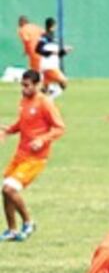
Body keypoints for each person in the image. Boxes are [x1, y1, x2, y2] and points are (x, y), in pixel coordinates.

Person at [1, 69, 65, 242]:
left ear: (38, 85)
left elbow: (59, 128)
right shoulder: (23, 101)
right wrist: (9, 130)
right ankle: (12, 230)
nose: (24, 89)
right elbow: (23, 123)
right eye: (22, 85)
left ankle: (28, 222)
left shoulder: (45, 103)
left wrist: (42, 140)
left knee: (10, 189)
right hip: (20, 154)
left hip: (35, 158)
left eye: (27, 86)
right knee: (5, 191)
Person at [36, 17, 72, 100]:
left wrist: (65, 51)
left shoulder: (54, 38)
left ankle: (37, 101)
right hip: (49, 66)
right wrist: (51, 53)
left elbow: (57, 54)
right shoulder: (45, 36)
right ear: (53, 26)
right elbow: (38, 49)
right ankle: (48, 101)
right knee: (64, 83)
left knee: (44, 89)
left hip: (52, 65)